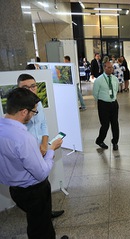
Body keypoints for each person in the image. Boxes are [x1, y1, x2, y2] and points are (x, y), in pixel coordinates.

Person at [0, 88, 66, 239]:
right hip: (34, 191)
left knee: (35, 222)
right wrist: (51, 150)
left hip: (15, 190)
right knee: (41, 229)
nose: (34, 115)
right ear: (24, 112)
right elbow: (42, 173)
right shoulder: (24, 138)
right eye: (34, 112)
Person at [17, 73, 65, 219]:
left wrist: (45, 144)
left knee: (44, 185)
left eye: (33, 86)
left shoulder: (39, 104)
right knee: (35, 191)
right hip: (28, 154)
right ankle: (40, 215)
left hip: (42, 149)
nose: (31, 90)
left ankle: (46, 212)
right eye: (25, 87)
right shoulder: (17, 111)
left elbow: (43, 124)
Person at [93, 61, 119, 151]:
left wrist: (112, 98)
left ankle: (115, 142)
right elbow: (95, 93)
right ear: (104, 68)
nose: (111, 69)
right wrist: (102, 101)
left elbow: (116, 90)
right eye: (108, 67)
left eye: (112, 67)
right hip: (103, 104)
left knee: (115, 124)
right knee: (105, 125)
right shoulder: (99, 80)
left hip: (114, 103)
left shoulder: (115, 79)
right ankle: (99, 140)